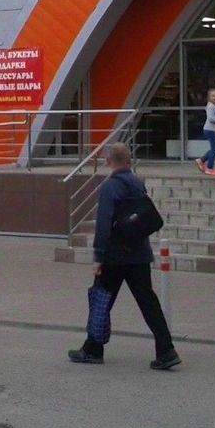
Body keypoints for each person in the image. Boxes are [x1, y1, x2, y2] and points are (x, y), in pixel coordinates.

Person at [68, 142, 180, 370]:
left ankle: (93, 349)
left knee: (101, 300)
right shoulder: (138, 183)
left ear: (108, 161)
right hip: (139, 253)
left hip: (114, 255)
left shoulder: (110, 187)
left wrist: (98, 256)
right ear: (128, 161)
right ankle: (166, 350)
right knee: (148, 301)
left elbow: (104, 224)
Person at [194, 87, 215, 177]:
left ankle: (201, 160)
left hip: (211, 130)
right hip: (209, 130)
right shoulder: (211, 106)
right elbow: (211, 119)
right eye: (213, 96)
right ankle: (209, 168)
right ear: (209, 98)